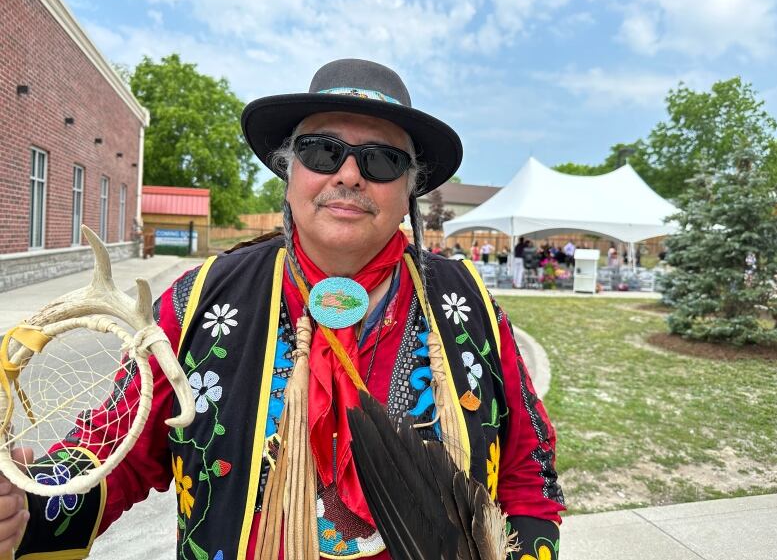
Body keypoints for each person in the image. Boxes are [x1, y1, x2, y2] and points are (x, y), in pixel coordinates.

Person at [4, 59, 564, 559]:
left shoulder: (465, 301)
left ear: (409, 189)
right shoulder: (205, 298)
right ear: (289, 171)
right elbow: (114, 448)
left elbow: (527, 465)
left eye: (382, 160)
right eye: (322, 151)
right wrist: (25, 510)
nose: (348, 174)